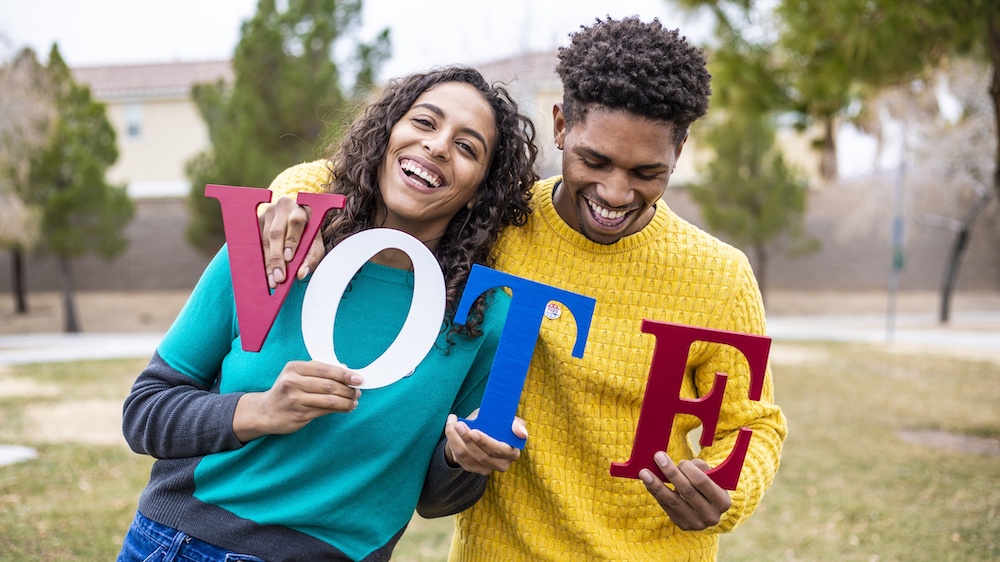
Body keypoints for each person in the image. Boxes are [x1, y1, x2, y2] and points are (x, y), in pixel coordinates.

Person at [262, 17, 788, 561]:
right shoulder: (494, 223)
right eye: (595, 160)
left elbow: (753, 423)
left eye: (646, 172)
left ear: (679, 150)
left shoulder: (719, 275)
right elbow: (372, 173)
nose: (615, 190)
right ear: (560, 126)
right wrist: (292, 194)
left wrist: (727, 491)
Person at [118, 65, 538, 562]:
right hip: (185, 544)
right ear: (386, 134)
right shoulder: (275, 248)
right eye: (424, 122)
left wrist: (460, 459)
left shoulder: (482, 319)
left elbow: (435, 498)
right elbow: (143, 412)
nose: (438, 146)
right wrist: (261, 410)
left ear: (480, 192)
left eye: (467, 147)